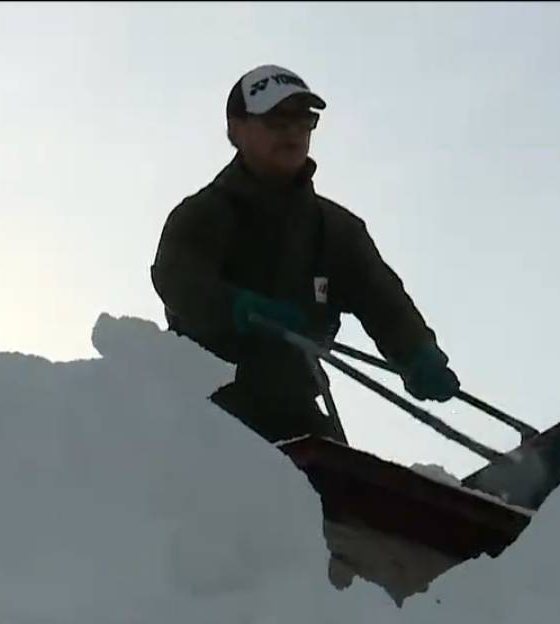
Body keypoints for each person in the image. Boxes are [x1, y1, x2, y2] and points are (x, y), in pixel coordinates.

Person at [150, 64, 460, 445]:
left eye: (303, 120)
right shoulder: (203, 213)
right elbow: (176, 277)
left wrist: (417, 353)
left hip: (296, 409)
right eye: (277, 119)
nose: (293, 131)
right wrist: (239, 307)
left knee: (342, 491)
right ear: (236, 129)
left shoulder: (337, 230)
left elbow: (382, 300)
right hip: (209, 407)